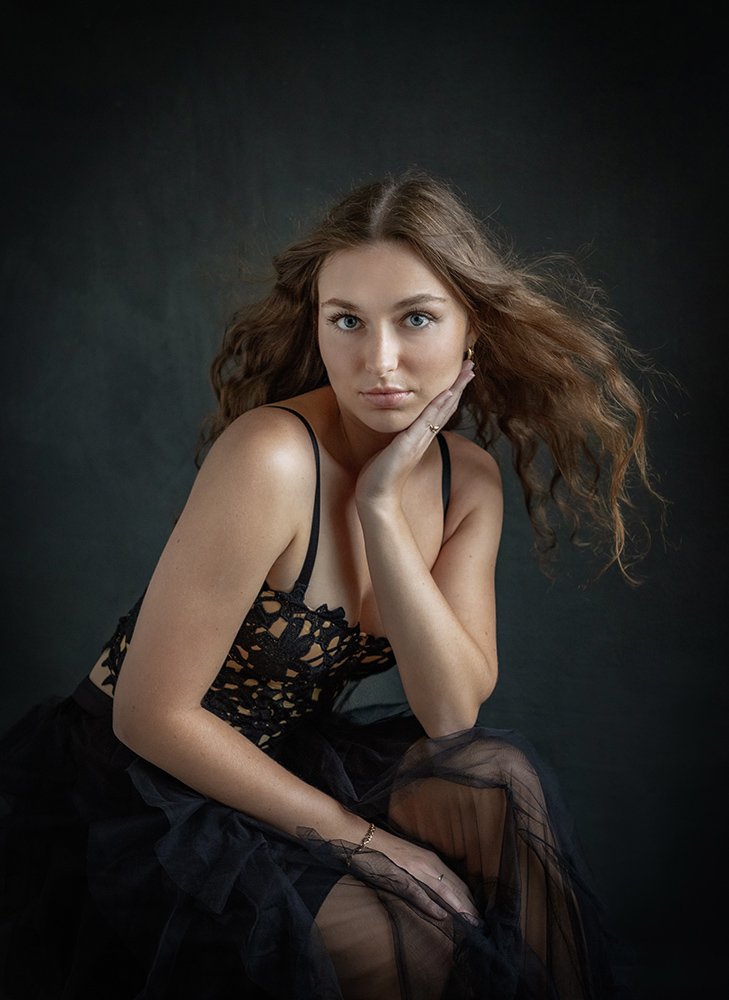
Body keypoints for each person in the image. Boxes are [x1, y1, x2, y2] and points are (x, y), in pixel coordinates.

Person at [0, 170, 657, 999]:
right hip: (135, 781)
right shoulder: (271, 455)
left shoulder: (466, 481)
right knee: (414, 942)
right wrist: (370, 845)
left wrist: (381, 508)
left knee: (498, 781)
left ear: (471, 328)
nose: (378, 361)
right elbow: (150, 715)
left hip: (285, 762)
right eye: (346, 320)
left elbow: (451, 714)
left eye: (415, 318)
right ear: (318, 325)